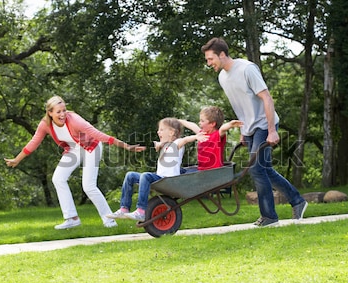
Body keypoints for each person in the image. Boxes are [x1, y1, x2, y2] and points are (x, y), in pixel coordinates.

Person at [201, 37, 308, 227]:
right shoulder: (222, 77)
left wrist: (272, 130)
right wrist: (244, 130)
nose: (208, 63)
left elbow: (266, 97)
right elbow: (240, 106)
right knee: (265, 169)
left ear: (222, 54)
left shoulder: (247, 69)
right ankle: (298, 201)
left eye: (210, 59)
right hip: (250, 127)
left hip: (264, 124)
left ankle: (269, 216)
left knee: (256, 169)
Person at [4, 95, 146, 230]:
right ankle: (72, 218)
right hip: (73, 149)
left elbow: (97, 134)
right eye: (58, 112)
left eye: (64, 110)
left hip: (92, 147)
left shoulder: (74, 120)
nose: (62, 114)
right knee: (58, 178)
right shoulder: (45, 125)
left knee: (89, 186)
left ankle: (109, 221)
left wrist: (126, 146)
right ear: (50, 113)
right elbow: (33, 143)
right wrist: (17, 159)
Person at [106, 117, 206, 222]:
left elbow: (185, 140)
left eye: (162, 129)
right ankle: (124, 208)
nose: (158, 132)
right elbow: (163, 145)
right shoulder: (165, 145)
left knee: (145, 175)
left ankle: (141, 211)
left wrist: (196, 136)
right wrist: (159, 145)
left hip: (169, 180)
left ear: (172, 132)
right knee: (130, 175)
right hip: (160, 178)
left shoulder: (177, 144)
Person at [178, 106, 243, 171]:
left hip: (213, 171)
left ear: (212, 124)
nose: (199, 123)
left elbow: (223, 129)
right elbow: (192, 125)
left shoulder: (217, 135)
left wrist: (230, 124)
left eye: (202, 121)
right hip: (202, 170)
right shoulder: (201, 134)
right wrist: (177, 121)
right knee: (180, 171)